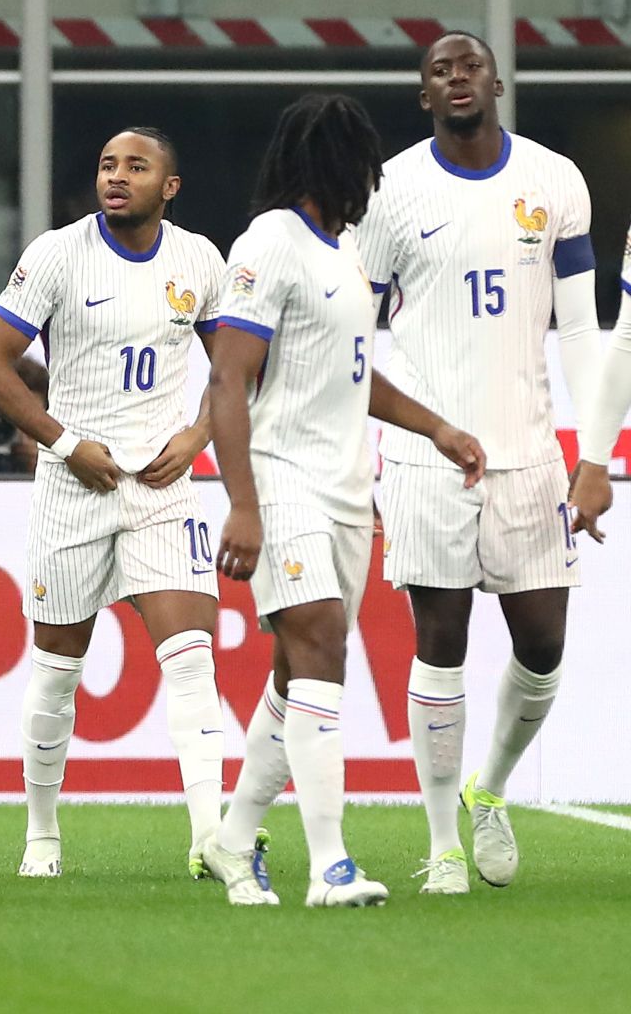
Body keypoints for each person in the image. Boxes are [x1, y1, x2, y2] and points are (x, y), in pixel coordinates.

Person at [201, 93, 484, 908]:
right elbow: (228, 378)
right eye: (362, 163)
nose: (372, 178)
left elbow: (355, 375)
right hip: (282, 479)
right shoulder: (268, 244)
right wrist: (244, 505)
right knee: (323, 641)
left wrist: (436, 427)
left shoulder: (348, 254)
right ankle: (330, 864)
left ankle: (232, 838)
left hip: (349, 489)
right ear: (327, 163)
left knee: (298, 672)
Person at [354, 31, 604, 896]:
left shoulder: (554, 179)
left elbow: (579, 329)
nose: (455, 78)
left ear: (496, 81)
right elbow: (354, 332)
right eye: (437, 71)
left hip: (532, 457)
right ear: (424, 96)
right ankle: (441, 845)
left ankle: (487, 789)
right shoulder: (389, 190)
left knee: (543, 648)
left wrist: (594, 451)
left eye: (468, 66)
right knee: (441, 643)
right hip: (429, 461)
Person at [0, 127, 229, 880]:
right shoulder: (56, 253)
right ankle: (42, 835)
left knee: (192, 662)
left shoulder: (198, 260)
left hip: (161, 489)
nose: (117, 177)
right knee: (57, 671)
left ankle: (211, 837)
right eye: (108, 164)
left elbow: (238, 366)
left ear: (168, 187)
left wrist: (200, 433)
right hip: (73, 489)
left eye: (137, 167)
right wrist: (63, 442)